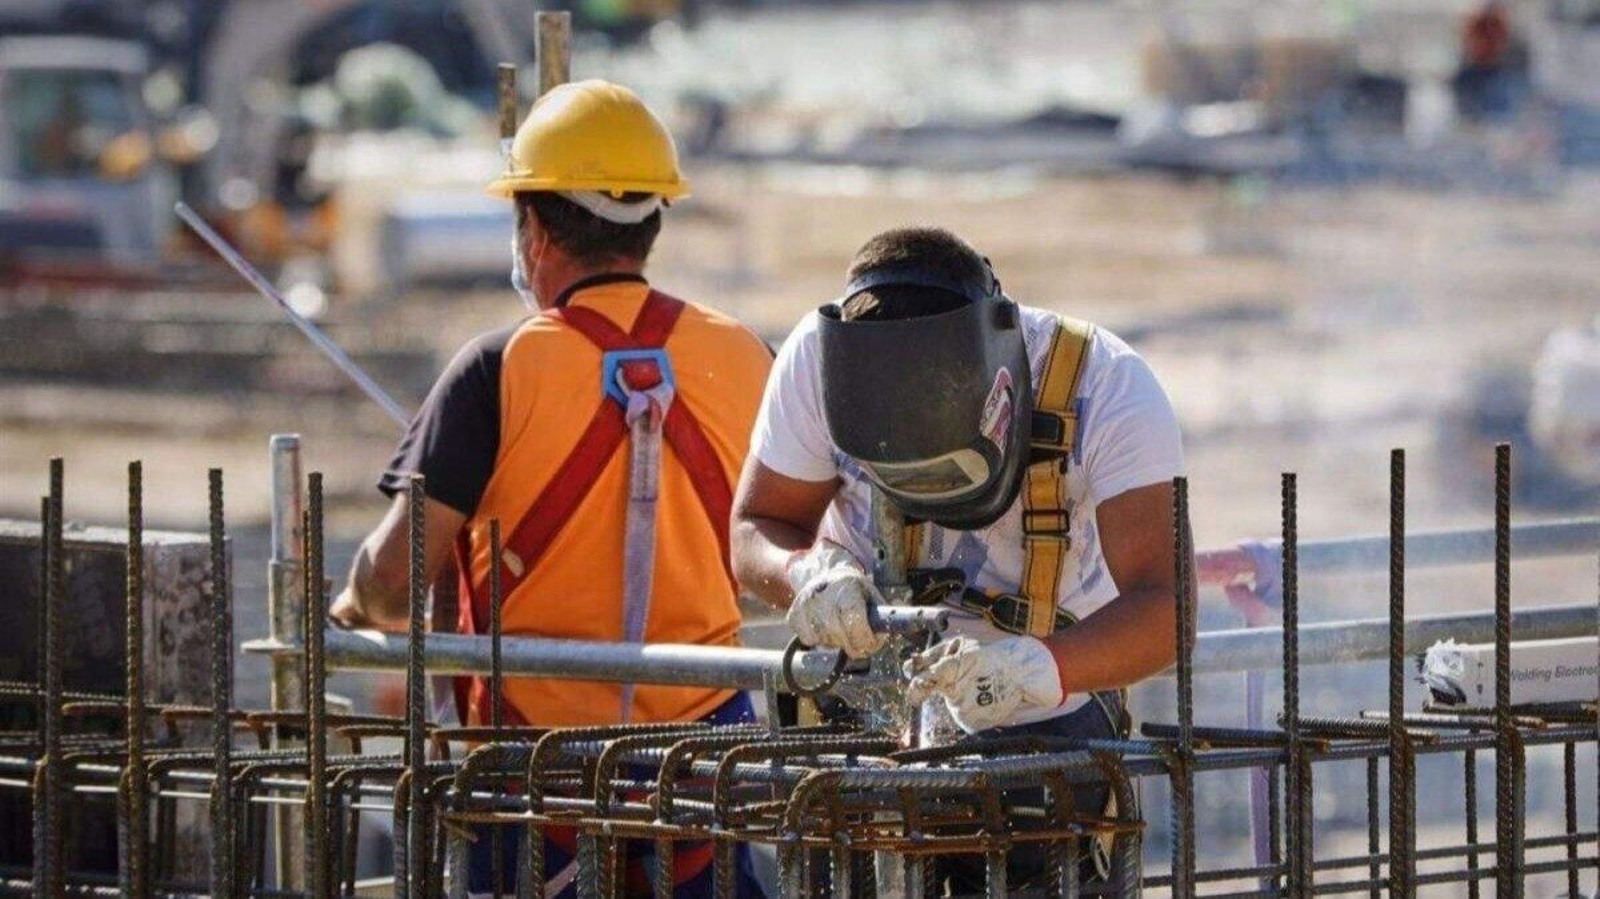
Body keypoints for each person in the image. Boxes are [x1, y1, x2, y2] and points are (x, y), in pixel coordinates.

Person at [329, 79, 772, 897]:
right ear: (653, 221)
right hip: (708, 773)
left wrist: (352, 607)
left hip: (537, 784)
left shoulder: (497, 369)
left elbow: (393, 583)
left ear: (532, 227)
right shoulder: (743, 357)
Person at [731, 226, 1189, 890]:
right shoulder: (817, 360)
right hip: (864, 725)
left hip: (1044, 735)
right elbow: (757, 527)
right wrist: (807, 573)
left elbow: (1166, 606)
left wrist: (1036, 667)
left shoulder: (1107, 386)